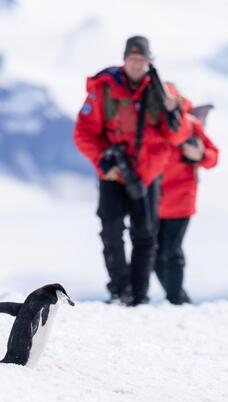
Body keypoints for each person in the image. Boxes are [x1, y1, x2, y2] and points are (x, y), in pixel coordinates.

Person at [73, 36, 191, 306]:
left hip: (149, 175)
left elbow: (177, 137)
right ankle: (119, 290)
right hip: (113, 172)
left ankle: (138, 295)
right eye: (133, 59)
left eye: (142, 60)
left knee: (145, 236)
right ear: (124, 59)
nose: (137, 65)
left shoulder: (164, 92)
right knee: (111, 229)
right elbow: (84, 132)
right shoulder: (104, 89)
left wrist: (176, 112)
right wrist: (104, 163)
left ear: (149, 62)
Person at [155, 106, 219, 305]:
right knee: (155, 254)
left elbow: (212, 157)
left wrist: (200, 155)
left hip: (180, 200)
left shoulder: (190, 124)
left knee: (170, 251)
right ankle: (178, 298)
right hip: (153, 201)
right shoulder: (148, 124)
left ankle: (175, 300)